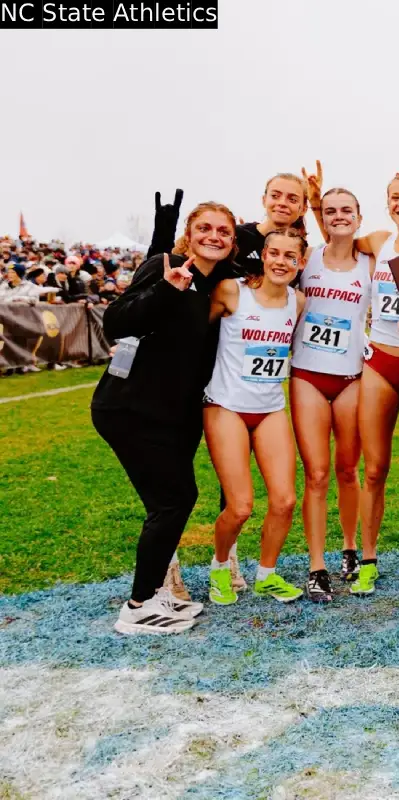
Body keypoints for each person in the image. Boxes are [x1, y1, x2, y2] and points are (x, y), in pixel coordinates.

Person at [91, 201, 238, 634]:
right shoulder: (167, 267)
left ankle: (154, 593)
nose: (214, 236)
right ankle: (138, 607)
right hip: (131, 408)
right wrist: (165, 289)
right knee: (172, 501)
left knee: (173, 500)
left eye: (224, 231)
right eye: (205, 228)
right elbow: (115, 322)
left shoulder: (223, 284)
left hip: (175, 413)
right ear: (189, 234)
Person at [307, 167, 399, 593]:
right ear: (387, 203)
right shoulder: (378, 244)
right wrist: (315, 204)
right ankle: (367, 558)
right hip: (380, 363)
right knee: (375, 469)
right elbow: (336, 234)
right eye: (395, 197)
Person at [204, 228, 306, 606]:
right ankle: (219, 568)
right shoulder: (232, 291)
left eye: (290, 256)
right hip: (226, 406)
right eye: (274, 253)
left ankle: (267, 574)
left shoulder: (298, 302)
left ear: (300, 263)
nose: (281, 262)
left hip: (270, 408)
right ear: (263, 256)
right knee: (241, 505)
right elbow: (196, 331)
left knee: (284, 501)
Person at [290, 188, 372, 603]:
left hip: (352, 377)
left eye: (347, 211)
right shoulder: (307, 259)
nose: (339, 217)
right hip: (308, 374)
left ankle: (350, 549)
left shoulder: (371, 264)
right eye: (330, 211)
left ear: (359, 217)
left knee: (347, 469)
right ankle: (316, 566)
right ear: (321, 217)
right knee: (317, 473)